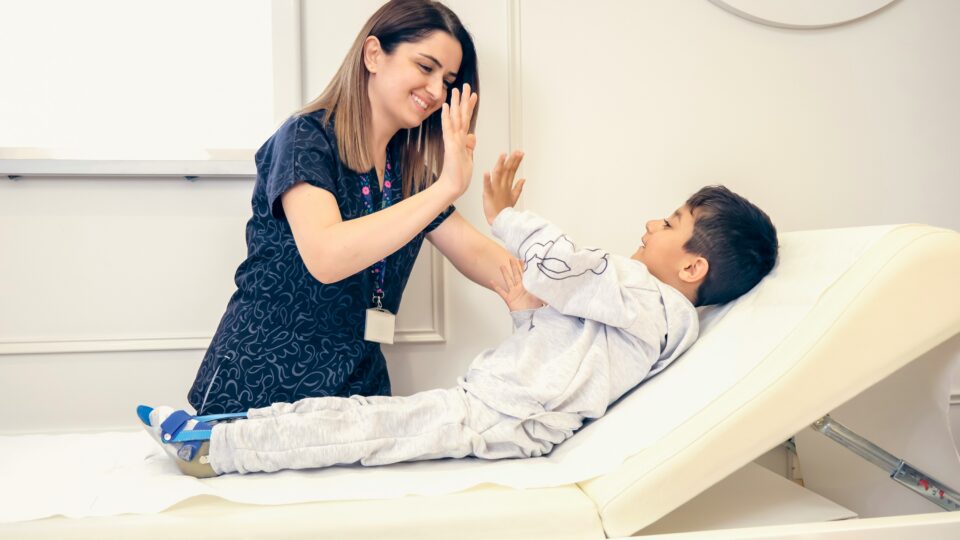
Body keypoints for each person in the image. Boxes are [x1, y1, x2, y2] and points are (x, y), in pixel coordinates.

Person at [139, 158, 779, 478]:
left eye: (670, 223)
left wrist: (508, 218)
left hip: (505, 417)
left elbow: (568, 267)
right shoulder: (649, 313)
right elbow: (570, 356)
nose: (650, 223)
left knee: (364, 430)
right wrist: (528, 315)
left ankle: (217, 449)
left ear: (692, 267)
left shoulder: (653, 300)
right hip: (501, 408)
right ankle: (220, 431)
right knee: (360, 417)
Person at [187, 0, 521, 415]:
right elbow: (327, 256)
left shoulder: (410, 176)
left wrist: (579, 276)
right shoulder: (305, 138)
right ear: (374, 55)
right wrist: (448, 187)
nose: (438, 92)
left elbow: (496, 268)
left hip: (355, 394)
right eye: (425, 67)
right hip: (259, 389)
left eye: (448, 81)